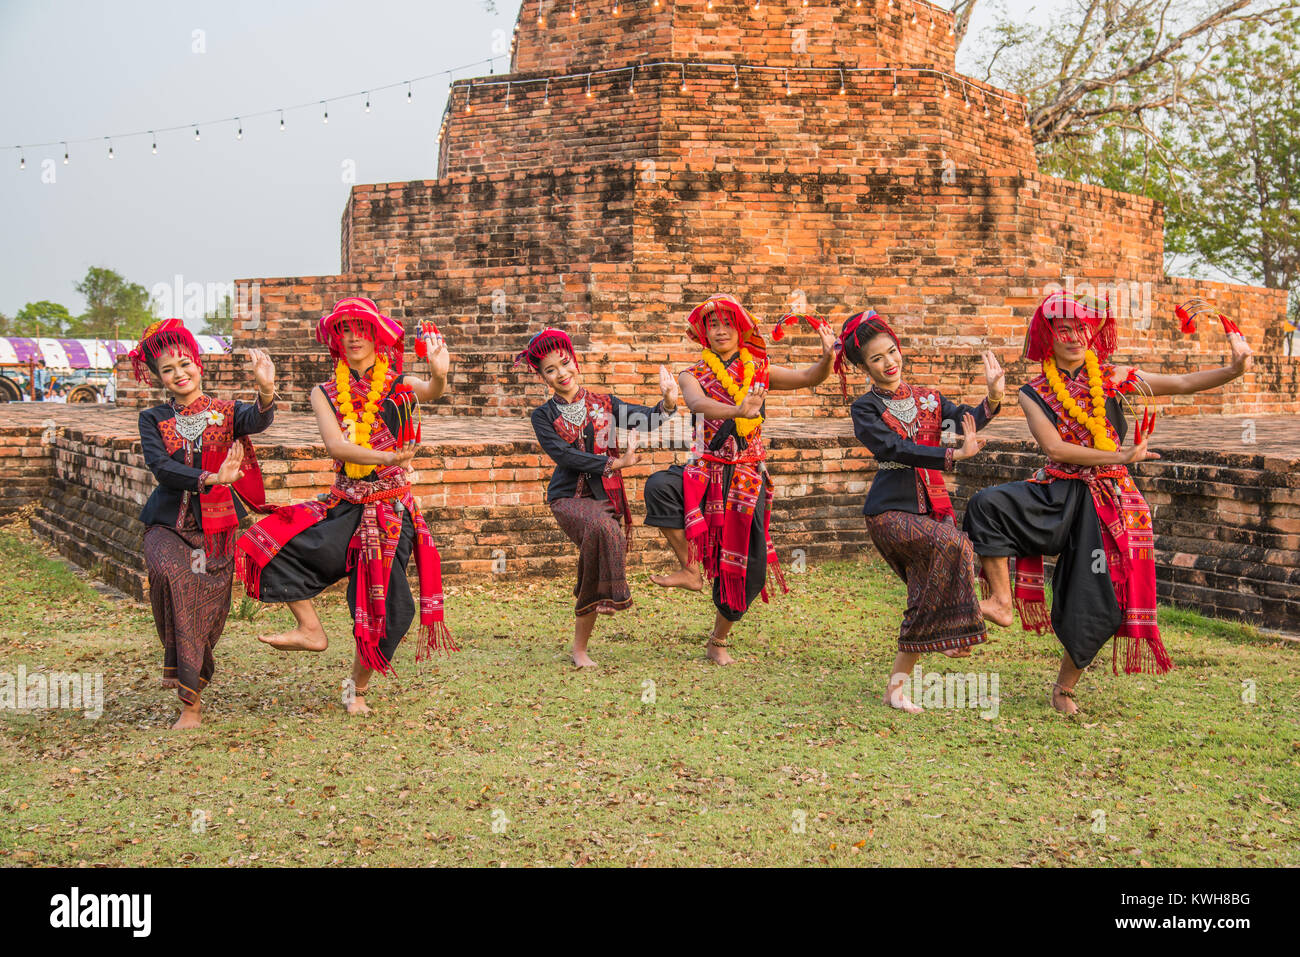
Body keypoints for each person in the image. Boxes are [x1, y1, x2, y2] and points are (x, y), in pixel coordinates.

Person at [963, 290, 1253, 713]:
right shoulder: (1032, 391)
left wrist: (1233, 369)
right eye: (1063, 329)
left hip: (1110, 502)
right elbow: (1057, 449)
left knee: (1096, 599)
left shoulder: (1115, 377)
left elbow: (1186, 383)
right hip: (1059, 494)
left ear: (1092, 334)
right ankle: (1002, 602)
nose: (1074, 336)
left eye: (1081, 328)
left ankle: (1064, 688)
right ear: (1049, 336)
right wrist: (1119, 455)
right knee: (987, 505)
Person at [237, 297, 455, 714]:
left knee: (392, 611)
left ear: (376, 335)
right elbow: (336, 445)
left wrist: (440, 374)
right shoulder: (324, 391)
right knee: (267, 542)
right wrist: (389, 459)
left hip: (391, 512)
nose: (353, 337)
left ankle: (356, 687)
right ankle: (310, 628)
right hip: (344, 506)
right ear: (335, 340)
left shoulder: (397, 383)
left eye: (360, 329)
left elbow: (432, 390)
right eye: (344, 331)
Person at [643, 294, 837, 664]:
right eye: (712, 324)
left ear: (741, 328)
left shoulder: (760, 369)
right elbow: (698, 404)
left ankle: (718, 640)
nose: (719, 330)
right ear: (703, 332)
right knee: (659, 488)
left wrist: (827, 357)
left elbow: (809, 378)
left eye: (727, 323)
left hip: (747, 475)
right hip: (705, 469)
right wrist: (738, 409)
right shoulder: (692, 374)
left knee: (749, 567)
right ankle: (689, 569)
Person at [840, 310, 1003, 713]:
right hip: (889, 512)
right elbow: (894, 449)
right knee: (954, 543)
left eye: (891, 352)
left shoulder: (928, 397)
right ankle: (964, 616)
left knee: (923, 600)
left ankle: (897, 688)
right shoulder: (865, 409)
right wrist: (951, 454)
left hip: (931, 509)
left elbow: (968, 419)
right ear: (864, 367)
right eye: (876, 358)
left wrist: (994, 396)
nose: (888, 362)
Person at [132, 318, 278, 729]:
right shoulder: (152, 418)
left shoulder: (227, 413)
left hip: (216, 530)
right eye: (167, 369)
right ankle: (190, 706)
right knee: (170, 577)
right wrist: (212, 479)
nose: (179, 374)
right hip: (166, 524)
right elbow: (161, 468)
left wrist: (266, 390)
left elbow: (258, 419)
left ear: (198, 364)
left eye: (184, 364)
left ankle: (192, 684)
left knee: (205, 612)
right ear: (159, 377)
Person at [520, 328, 679, 667]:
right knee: (605, 531)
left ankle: (579, 649)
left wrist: (667, 400)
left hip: (606, 498)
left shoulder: (604, 403)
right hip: (567, 499)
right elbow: (565, 456)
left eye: (565, 364)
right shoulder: (543, 416)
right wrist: (614, 463)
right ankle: (613, 595)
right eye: (551, 370)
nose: (562, 374)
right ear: (542, 377)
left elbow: (645, 419)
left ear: (574, 361)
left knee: (592, 561)